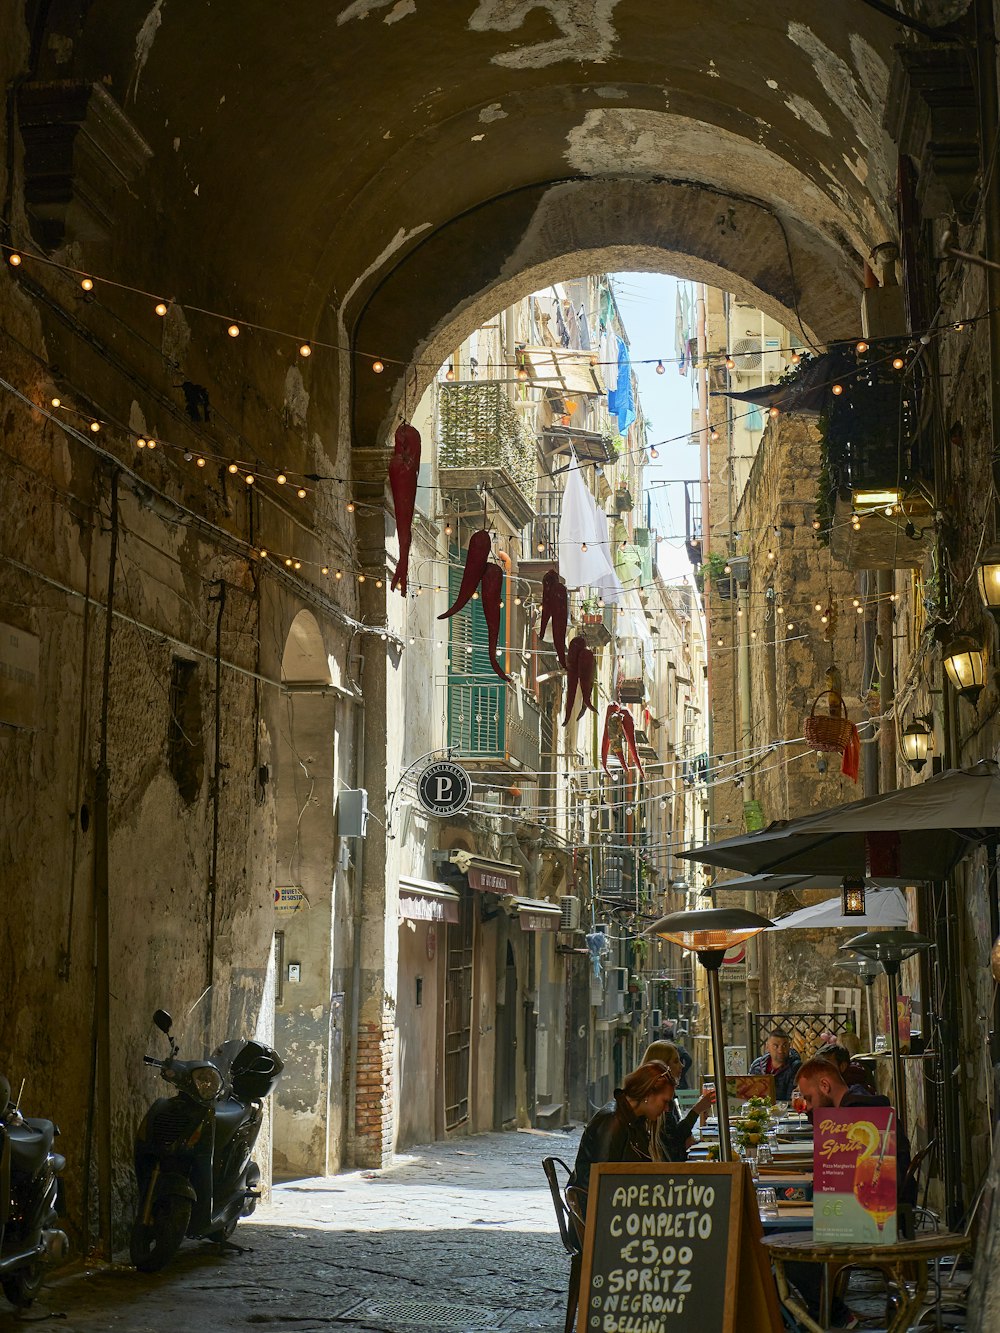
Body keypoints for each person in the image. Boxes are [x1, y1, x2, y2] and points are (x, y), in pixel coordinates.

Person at [789, 1058, 916, 1329]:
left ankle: (828, 1312)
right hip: (882, 1204)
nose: (808, 1106)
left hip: (875, 1212)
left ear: (825, 1084)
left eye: (809, 1098)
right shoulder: (854, 1104)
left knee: (787, 1242)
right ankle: (823, 1310)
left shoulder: (857, 1111)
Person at [567, 1061, 675, 1199]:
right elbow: (602, 1182)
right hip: (596, 1211)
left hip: (620, 1202)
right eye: (665, 1101)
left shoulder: (635, 1119)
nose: (667, 1109)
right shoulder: (613, 1121)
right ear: (648, 1094)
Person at [641, 1040, 715, 1161]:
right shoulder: (654, 1098)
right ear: (662, 1066)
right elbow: (674, 1139)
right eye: (676, 1061)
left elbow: (675, 1135)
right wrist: (697, 1110)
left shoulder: (665, 1093)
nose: (682, 1065)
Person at [748, 1028, 801, 1101]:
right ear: (767, 1046)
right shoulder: (757, 1065)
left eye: (784, 1046)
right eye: (775, 1046)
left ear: (789, 1046)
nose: (780, 1050)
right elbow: (749, 1092)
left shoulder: (795, 1067)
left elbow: (790, 1099)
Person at [660, 1023, 692, 1088]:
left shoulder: (660, 1049)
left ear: (663, 1038)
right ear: (672, 1037)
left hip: (664, 1082)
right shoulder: (678, 1048)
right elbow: (689, 1060)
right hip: (679, 1082)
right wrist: (682, 1072)